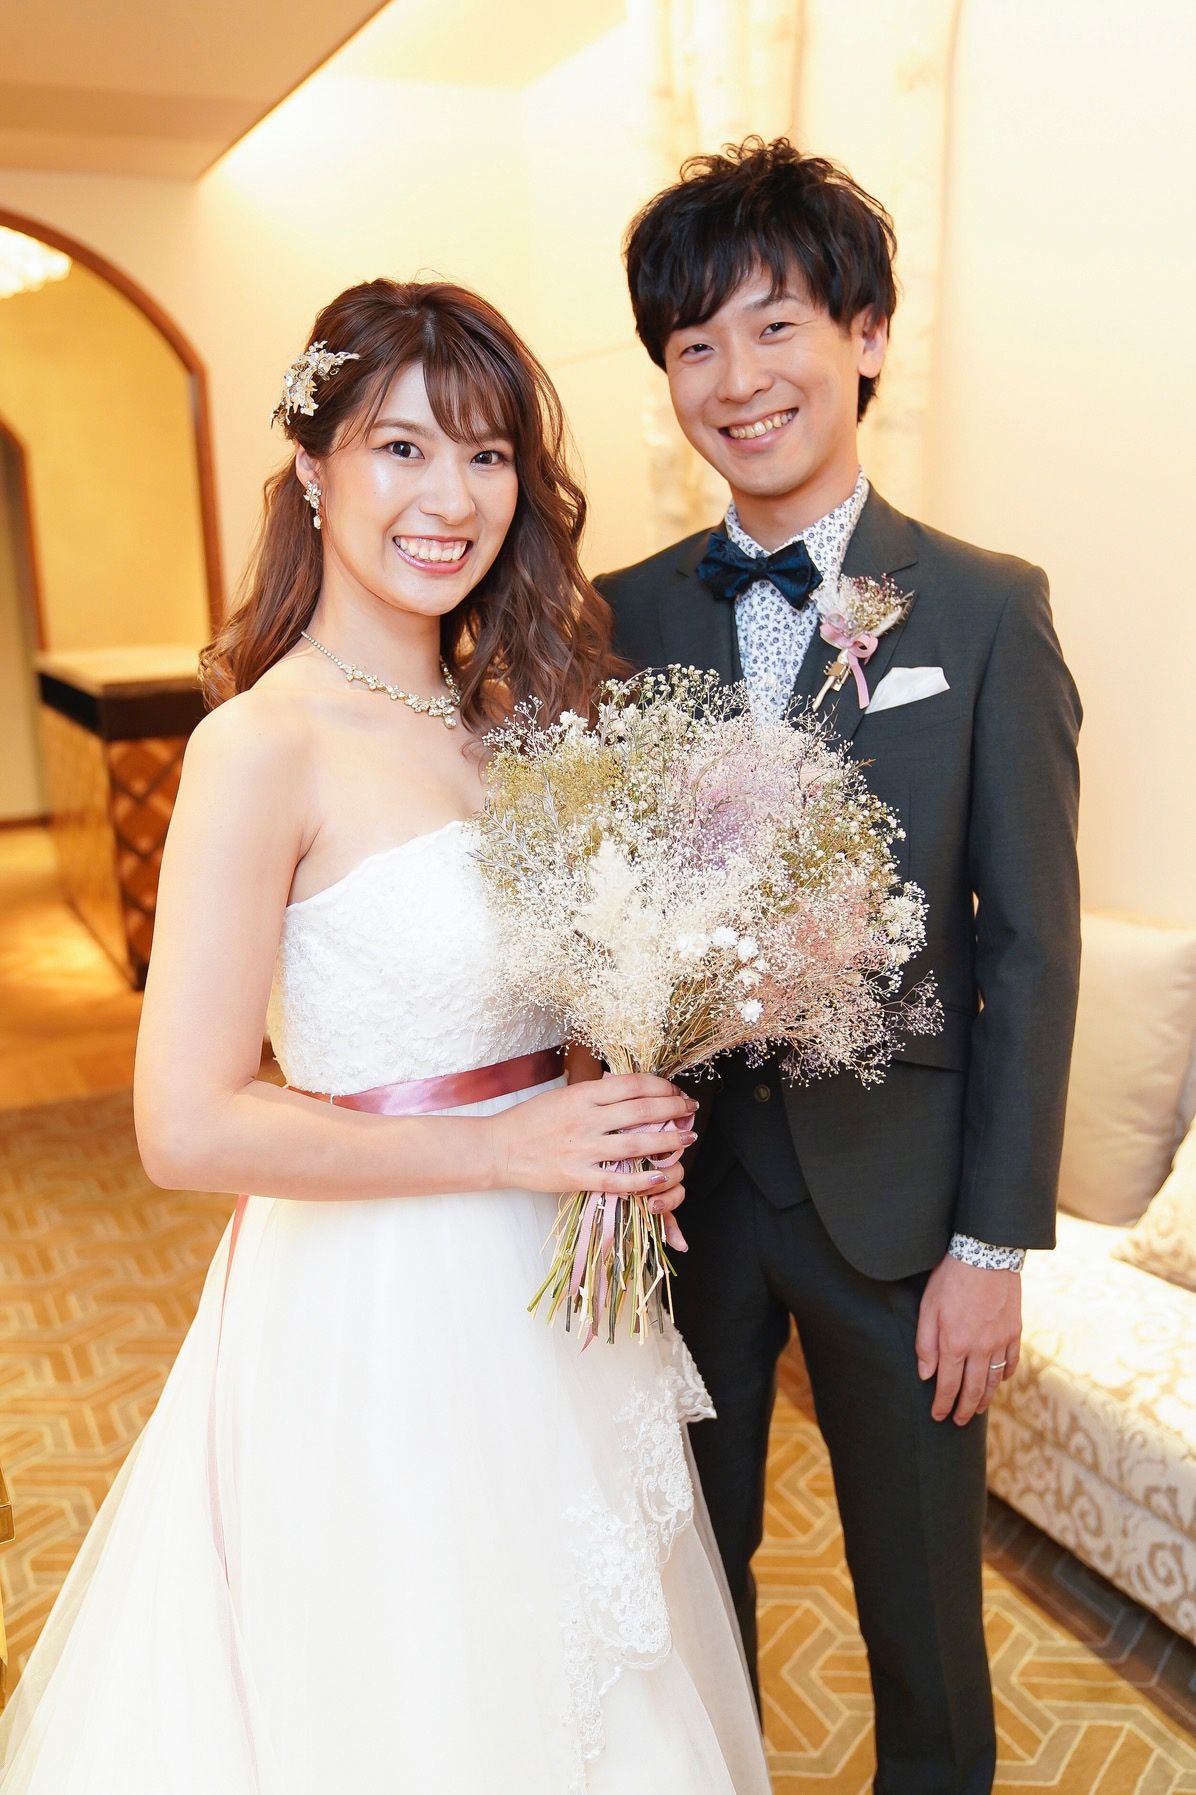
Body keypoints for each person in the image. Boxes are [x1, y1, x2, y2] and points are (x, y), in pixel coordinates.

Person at [0, 279, 771, 1795]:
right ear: (312, 469)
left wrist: (606, 1118)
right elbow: (186, 1126)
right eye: (402, 448)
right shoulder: (258, 744)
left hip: (553, 1294)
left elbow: (527, 1023)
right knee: (425, 1692)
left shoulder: (509, 722)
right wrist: (504, 1146)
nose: (451, 498)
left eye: (487, 456)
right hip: (380, 1309)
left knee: (582, 1676)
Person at [598, 140, 1082, 1794]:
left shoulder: (986, 610)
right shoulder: (617, 617)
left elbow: (1029, 948)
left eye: (775, 326)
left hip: (904, 1214)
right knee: (685, 1583)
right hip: (684, 1199)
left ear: (866, 334)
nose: (737, 381)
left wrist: (994, 1246)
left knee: (925, 1620)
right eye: (694, 345)